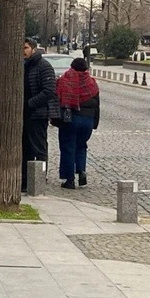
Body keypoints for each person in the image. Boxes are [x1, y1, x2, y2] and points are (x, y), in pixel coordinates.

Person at [55, 58, 100, 190]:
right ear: (86, 69)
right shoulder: (92, 83)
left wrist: (56, 119)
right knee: (81, 146)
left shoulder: (65, 80)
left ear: (72, 67)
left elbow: (58, 99)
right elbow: (97, 105)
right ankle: (81, 172)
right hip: (88, 120)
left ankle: (69, 180)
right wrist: (94, 123)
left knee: (68, 148)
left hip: (71, 119)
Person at [22, 37, 59, 191]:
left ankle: (39, 181)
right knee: (25, 149)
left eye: (25, 48)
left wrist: (29, 104)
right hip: (24, 114)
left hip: (38, 114)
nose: (23, 51)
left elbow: (49, 90)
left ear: (33, 49)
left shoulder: (43, 66)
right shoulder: (24, 65)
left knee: (39, 148)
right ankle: (25, 180)